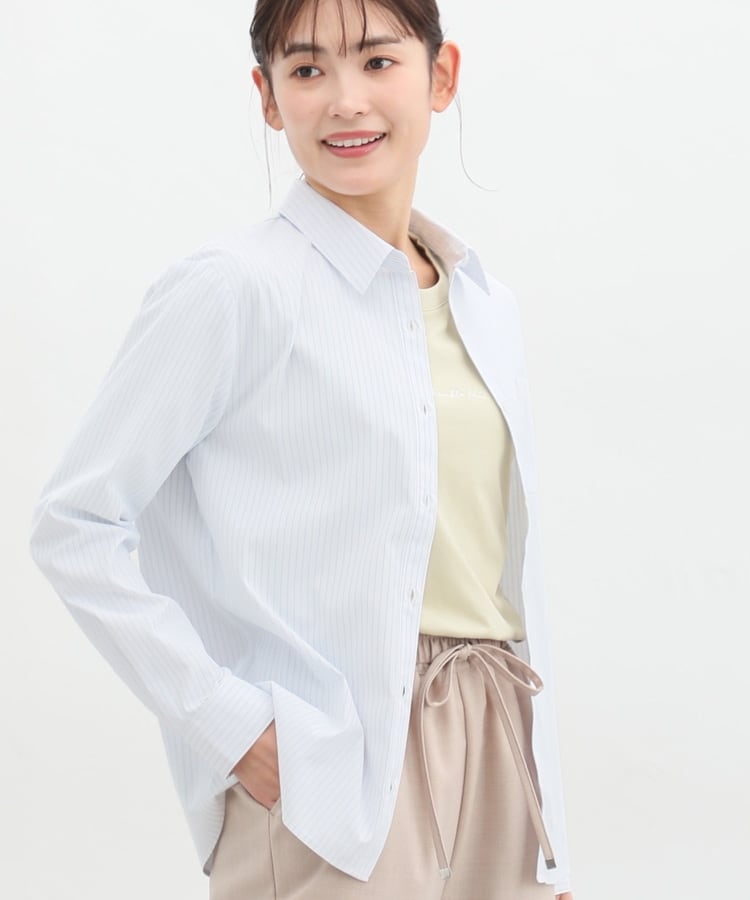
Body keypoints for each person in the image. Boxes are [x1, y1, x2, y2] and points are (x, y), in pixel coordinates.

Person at [29, 0, 575, 897]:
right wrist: (234, 728)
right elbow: (76, 524)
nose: (345, 99)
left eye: (378, 61)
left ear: (441, 77)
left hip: (497, 726)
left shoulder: (484, 301)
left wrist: (541, 800)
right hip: (331, 758)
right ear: (269, 97)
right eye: (308, 69)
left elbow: (498, 569)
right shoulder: (235, 289)